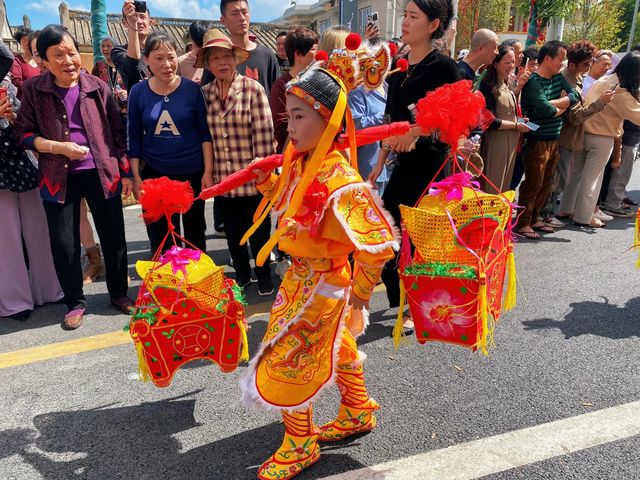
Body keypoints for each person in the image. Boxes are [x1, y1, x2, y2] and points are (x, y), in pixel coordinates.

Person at [241, 65, 398, 480]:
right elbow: (292, 205)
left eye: (299, 116)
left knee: (291, 357)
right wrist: (267, 182)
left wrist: (362, 295)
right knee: (335, 345)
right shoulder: (302, 163)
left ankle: (300, 443)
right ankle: (357, 408)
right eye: (288, 116)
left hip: (323, 284)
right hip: (299, 278)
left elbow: (378, 245)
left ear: (327, 119)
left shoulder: (341, 179)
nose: (290, 126)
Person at [14, 25, 134, 329]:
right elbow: (23, 133)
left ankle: (119, 293)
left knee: (113, 235)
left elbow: (118, 132)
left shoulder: (97, 86)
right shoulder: (33, 90)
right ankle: (75, 301)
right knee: (64, 243)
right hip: (57, 175)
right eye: (58, 55)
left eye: (71, 52)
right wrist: (55, 147)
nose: (68, 60)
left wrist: (123, 170)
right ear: (43, 61)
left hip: (101, 172)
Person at [368, 0, 462, 330]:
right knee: (388, 231)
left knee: (422, 238)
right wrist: (379, 162)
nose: (405, 22)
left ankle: (415, 305)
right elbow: (391, 120)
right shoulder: (399, 66)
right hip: (401, 166)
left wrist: (417, 131)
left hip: (432, 167)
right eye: (405, 15)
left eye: (413, 16)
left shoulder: (444, 68)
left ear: (433, 25)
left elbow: (454, 117)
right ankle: (401, 299)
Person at [198, 30, 275, 295]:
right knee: (233, 235)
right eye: (215, 58)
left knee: (260, 232)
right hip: (224, 180)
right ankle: (242, 275)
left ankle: (264, 274)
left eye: (227, 57)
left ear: (235, 59)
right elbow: (203, 136)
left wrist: (263, 175)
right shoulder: (204, 94)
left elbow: (264, 136)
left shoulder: (253, 89)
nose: (222, 63)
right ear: (208, 64)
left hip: (253, 180)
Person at [128, 32, 213, 254]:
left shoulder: (192, 90)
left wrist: (208, 171)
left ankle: (196, 282)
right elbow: (134, 136)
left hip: (192, 173)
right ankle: (168, 284)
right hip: (156, 175)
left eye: (171, 57)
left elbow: (205, 134)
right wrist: (136, 176)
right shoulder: (138, 92)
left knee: (195, 232)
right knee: (162, 234)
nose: (167, 64)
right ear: (146, 60)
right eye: (159, 58)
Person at [0, 41, 63, 321]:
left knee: (38, 228)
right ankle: (14, 301)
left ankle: (49, 289)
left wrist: (13, 117)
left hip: (21, 160)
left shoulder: (8, 86)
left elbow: (24, 123)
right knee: (6, 236)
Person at [558, 51, 640, 227]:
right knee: (592, 179)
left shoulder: (606, 80)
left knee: (576, 175)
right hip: (601, 137)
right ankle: (584, 217)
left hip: (582, 132)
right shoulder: (620, 89)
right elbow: (637, 116)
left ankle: (566, 209)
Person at [516, 40, 578, 239]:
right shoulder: (533, 82)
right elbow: (544, 111)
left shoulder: (558, 78)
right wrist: (562, 106)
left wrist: (558, 103)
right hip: (536, 140)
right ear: (548, 58)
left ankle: (535, 218)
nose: (563, 63)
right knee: (534, 181)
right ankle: (523, 222)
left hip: (554, 138)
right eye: (560, 58)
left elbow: (575, 96)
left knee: (546, 181)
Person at [551, 41, 612, 226]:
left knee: (562, 179)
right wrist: (599, 103)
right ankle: (546, 215)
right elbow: (575, 117)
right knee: (556, 180)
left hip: (570, 138)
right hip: (562, 136)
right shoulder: (566, 80)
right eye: (586, 64)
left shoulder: (576, 78)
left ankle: (552, 213)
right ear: (572, 64)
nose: (589, 67)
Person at [478, 44, 531, 192]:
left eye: (513, 62)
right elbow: (490, 120)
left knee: (504, 186)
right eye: (507, 62)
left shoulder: (506, 84)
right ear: (495, 63)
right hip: (496, 142)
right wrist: (515, 125)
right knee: (492, 185)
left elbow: (508, 112)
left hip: (511, 142)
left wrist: (519, 122)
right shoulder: (487, 85)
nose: (511, 66)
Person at [200, 0, 279, 97]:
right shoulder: (216, 59)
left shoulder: (267, 55)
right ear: (223, 20)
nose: (242, 18)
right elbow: (206, 97)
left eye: (245, 12)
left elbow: (278, 97)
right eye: (235, 13)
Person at [269, 27, 318, 154]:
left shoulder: (319, 81)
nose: (317, 54)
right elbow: (281, 128)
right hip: (291, 156)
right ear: (298, 54)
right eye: (313, 49)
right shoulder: (280, 86)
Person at [600, 120, 640, 217]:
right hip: (626, 138)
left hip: (628, 136)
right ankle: (612, 205)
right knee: (621, 174)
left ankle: (612, 201)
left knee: (620, 173)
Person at [111, 0, 152, 92]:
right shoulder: (118, 51)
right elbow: (132, 65)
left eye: (142, 17)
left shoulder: (158, 50)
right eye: (134, 18)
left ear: (150, 23)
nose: (139, 21)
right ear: (124, 22)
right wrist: (132, 23)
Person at [91, 36, 128, 118]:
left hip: (125, 110)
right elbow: (92, 85)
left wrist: (128, 93)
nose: (105, 49)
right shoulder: (99, 66)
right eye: (103, 46)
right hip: (105, 110)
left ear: (116, 48)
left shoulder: (124, 65)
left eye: (108, 46)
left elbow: (135, 84)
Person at [10, 26, 40, 99]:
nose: (27, 44)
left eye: (29, 40)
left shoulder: (40, 60)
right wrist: (38, 89)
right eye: (24, 41)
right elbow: (17, 82)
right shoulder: (17, 60)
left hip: (41, 100)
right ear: (19, 43)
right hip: (25, 101)